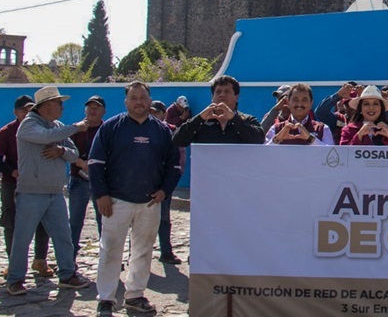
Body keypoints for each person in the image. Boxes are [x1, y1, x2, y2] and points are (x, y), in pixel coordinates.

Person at [90, 81, 181, 316]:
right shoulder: (111, 128)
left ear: (149, 101)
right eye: (134, 98)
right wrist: (101, 194)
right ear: (126, 102)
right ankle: (106, 299)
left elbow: (174, 165)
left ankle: (135, 295)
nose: (139, 102)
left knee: (143, 250)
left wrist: (164, 190)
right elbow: (95, 163)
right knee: (110, 250)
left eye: (143, 98)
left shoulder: (162, 130)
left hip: (149, 203)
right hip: (116, 202)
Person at [5, 86, 91, 296]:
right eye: (58, 103)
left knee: (63, 236)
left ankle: (67, 274)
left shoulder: (58, 126)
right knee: (22, 238)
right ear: (46, 106)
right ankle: (15, 279)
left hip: (55, 192)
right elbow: (45, 136)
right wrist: (75, 128)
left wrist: (61, 150)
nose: (62, 107)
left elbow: (74, 153)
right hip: (31, 192)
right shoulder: (28, 125)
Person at [0, 95, 53, 278]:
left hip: (38, 184)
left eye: (30, 109)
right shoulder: (6, 132)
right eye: (23, 110)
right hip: (12, 184)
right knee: (11, 222)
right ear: (15, 112)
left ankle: (40, 259)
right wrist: (13, 172)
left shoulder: (43, 129)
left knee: (42, 221)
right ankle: (13, 263)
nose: (27, 113)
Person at [172, 75, 265, 146]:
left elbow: (259, 140)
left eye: (227, 91)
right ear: (212, 97)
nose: (222, 95)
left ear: (236, 97)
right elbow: (177, 141)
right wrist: (199, 118)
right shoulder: (202, 122)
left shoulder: (248, 120)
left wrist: (234, 119)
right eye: (218, 92)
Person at [68, 95, 106, 258]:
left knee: (104, 222)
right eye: (90, 107)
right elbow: (65, 151)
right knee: (75, 222)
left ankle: (108, 258)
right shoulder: (76, 129)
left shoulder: (108, 130)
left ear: (103, 111)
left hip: (102, 183)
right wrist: (80, 163)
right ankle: (69, 258)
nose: (92, 111)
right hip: (79, 180)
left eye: (96, 108)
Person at [150, 100, 184, 265]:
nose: (154, 115)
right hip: (143, 184)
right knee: (136, 221)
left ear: (164, 113)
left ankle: (166, 251)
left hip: (164, 185)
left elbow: (179, 159)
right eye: (152, 112)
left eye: (157, 112)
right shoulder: (141, 130)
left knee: (164, 219)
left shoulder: (170, 131)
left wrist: (170, 183)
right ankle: (134, 254)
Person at [268, 84, 334, 145]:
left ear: (311, 103)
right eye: (295, 99)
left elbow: (331, 154)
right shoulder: (276, 129)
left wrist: (311, 139)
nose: (299, 104)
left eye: (304, 100)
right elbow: (263, 154)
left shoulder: (323, 129)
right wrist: (277, 139)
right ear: (288, 102)